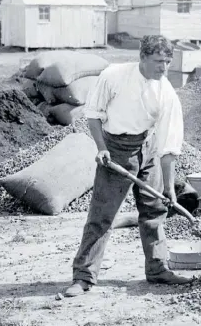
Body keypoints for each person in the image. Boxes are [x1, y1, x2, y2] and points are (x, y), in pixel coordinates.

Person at [65, 35, 192, 297]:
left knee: (155, 211)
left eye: (168, 62)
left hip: (148, 147)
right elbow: (94, 114)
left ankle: (158, 269)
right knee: (103, 216)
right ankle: (83, 277)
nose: (164, 68)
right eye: (158, 61)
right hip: (116, 148)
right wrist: (102, 148)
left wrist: (169, 187)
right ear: (142, 57)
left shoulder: (166, 92)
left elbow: (169, 145)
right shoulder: (114, 76)